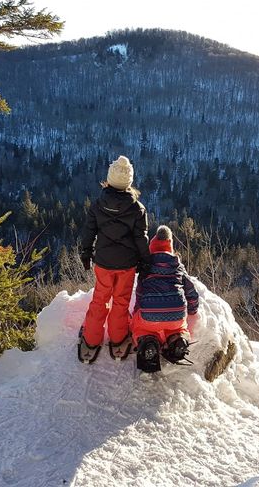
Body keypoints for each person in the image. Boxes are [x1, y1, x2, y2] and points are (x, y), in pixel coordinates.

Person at [78, 155, 150, 363]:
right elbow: (140, 237)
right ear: (129, 182)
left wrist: (86, 252)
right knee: (121, 301)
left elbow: (89, 231)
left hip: (103, 262)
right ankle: (118, 339)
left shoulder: (98, 205)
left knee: (100, 299)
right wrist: (145, 261)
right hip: (127, 265)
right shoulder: (137, 208)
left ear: (109, 180)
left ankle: (91, 340)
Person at [131, 225, 199, 373]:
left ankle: (147, 341)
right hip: (176, 315)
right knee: (179, 327)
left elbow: (140, 294)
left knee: (140, 326)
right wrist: (193, 309)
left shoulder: (146, 267)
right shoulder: (178, 266)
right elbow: (191, 291)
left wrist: (138, 311)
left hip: (149, 316)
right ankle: (177, 340)